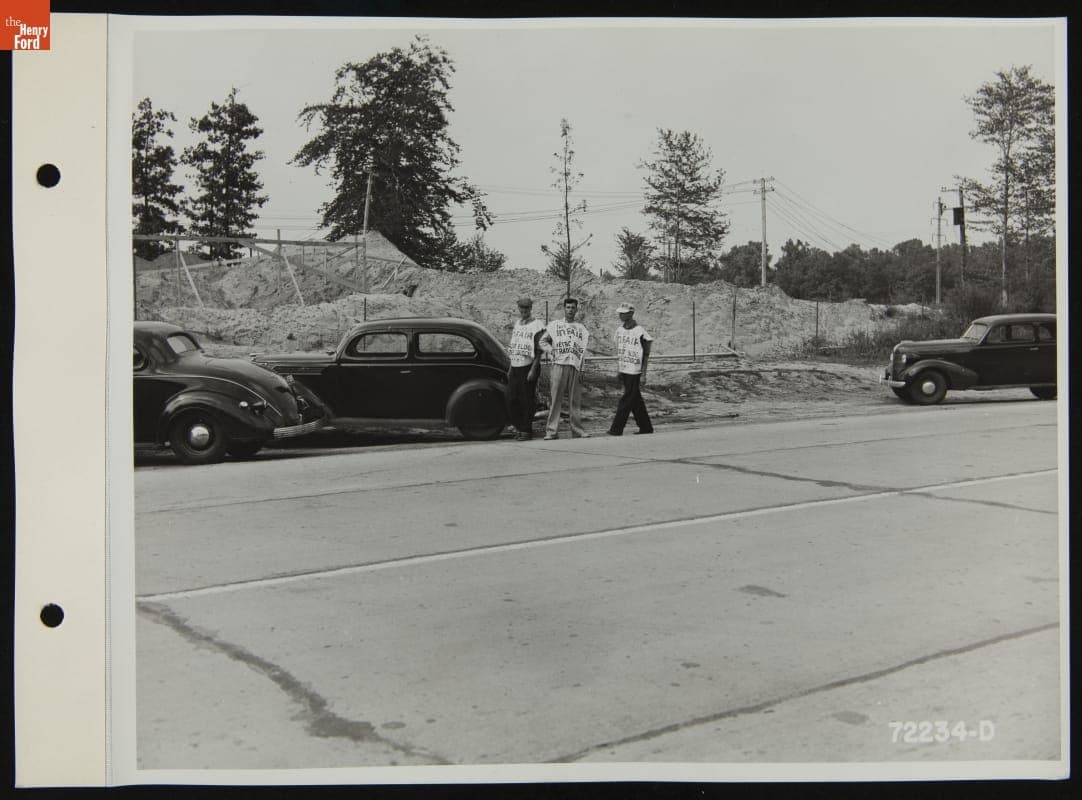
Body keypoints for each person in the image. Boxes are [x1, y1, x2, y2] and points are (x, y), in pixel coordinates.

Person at [541, 297, 590, 440]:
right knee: (556, 399)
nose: (570, 310)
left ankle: (577, 430)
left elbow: (582, 351)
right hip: (558, 365)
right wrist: (551, 351)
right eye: (568, 307)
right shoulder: (555, 325)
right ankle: (551, 431)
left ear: (576, 309)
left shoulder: (581, 328)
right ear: (564, 309)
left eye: (573, 308)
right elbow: (542, 341)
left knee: (575, 400)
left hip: (574, 366)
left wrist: (582, 369)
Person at [608, 302, 654, 436]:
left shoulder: (640, 331)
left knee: (627, 399)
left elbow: (646, 354)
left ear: (631, 313)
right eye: (620, 313)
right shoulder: (620, 330)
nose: (621, 315)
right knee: (635, 399)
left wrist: (644, 374)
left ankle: (616, 429)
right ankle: (646, 427)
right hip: (625, 368)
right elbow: (620, 351)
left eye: (624, 312)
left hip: (635, 370)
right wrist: (619, 369)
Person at [506, 297, 546, 440]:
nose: (524, 311)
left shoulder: (537, 325)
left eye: (526, 308)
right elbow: (515, 346)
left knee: (526, 399)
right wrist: (511, 367)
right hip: (516, 365)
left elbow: (539, 349)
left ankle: (526, 430)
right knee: (512, 398)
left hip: (528, 366)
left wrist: (533, 369)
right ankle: (518, 426)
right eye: (521, 308)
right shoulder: (518, 323)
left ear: (530, 308)